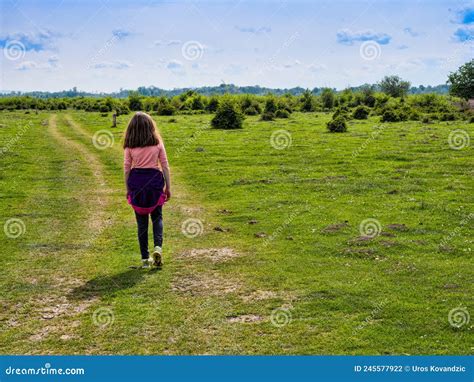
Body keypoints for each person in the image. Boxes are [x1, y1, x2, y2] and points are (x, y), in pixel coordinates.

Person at [123, 112, 171, 268]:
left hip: (137, 182)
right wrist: (168, 187)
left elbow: (126, 168)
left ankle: (145, 260)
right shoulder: (157, 143)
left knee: (141, 223)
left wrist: (128, 188)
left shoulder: (129, 145)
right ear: (151, 126)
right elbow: (165, 166)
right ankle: (158, 247)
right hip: (154, 182)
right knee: (157, 218)